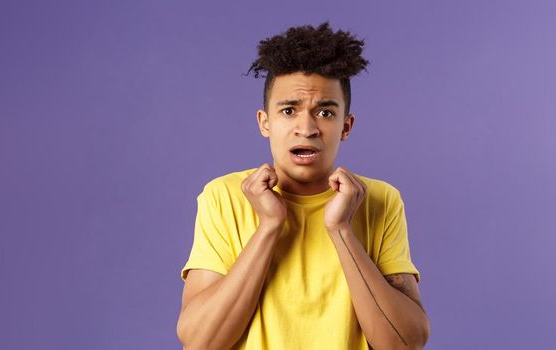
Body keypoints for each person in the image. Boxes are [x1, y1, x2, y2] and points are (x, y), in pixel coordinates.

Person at [176, 22, 429, 350]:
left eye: (325, 112)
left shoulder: (380, 200)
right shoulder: (223, 196)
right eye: (288, 110)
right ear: (264, 122)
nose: (306, 128)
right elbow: (200, 342)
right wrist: (269, 226)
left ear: (346, 126)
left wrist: (340, 230)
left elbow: (405, 344)